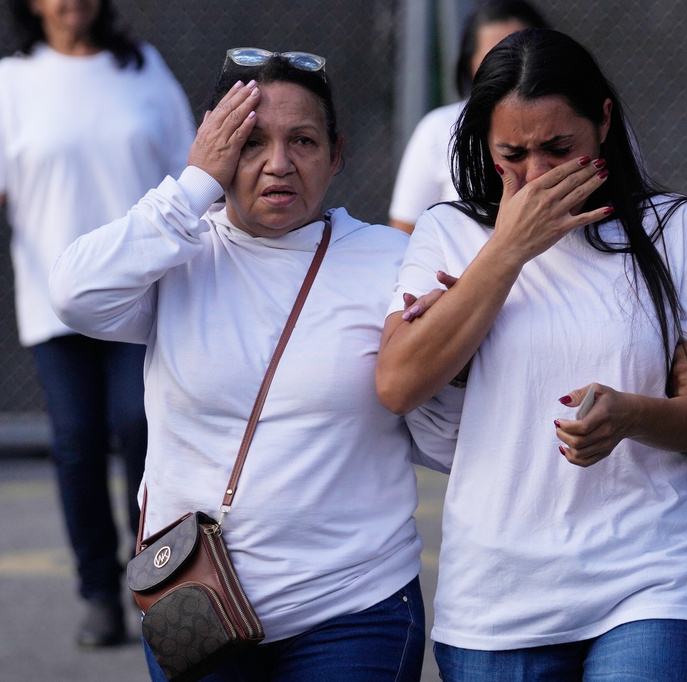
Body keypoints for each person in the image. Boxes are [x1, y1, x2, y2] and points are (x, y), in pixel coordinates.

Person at [50, 49, 461, 681]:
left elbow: (441, 424)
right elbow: (73, 295)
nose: (278, 163)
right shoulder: (179, 251)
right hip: (194, 603)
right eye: (249, 141)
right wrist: (192, 187)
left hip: (352, 608)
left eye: (302, 140)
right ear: (215, 147)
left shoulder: (390, 259)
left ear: (336, 153)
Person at [376, 27, 687, 681]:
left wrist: (630, 414)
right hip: (497, 596)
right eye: (513, 153)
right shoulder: (449, 232)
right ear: (483, 141)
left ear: (602, 122)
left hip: (653, 576)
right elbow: (399, 384)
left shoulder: (678, 228)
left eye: (557, 148)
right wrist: (509, 249)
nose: (537, 174)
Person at [0, 0, 195, 647]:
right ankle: (97, 594)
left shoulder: (143, 69)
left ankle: (158, 586)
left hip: (139, 295)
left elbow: (193, 168)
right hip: (53, 302)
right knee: (76, 441)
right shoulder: (14, 81)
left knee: (140, 425)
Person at [388, 0, 547, 234]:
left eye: (559, 146)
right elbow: (403, 233)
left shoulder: (587, 119)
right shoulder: (437, 128)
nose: (511, 67)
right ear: (469, 62)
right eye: (494, 56)